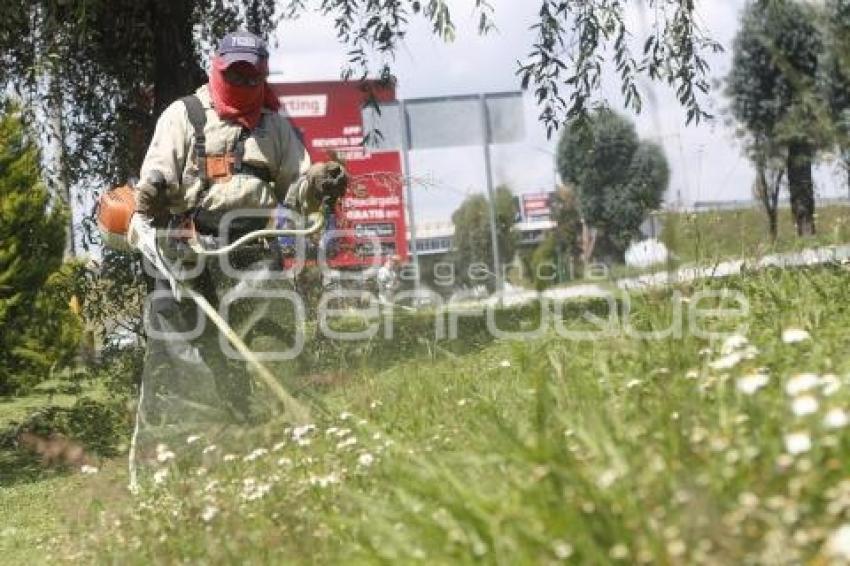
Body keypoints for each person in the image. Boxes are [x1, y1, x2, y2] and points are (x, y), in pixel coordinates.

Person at [125, 31, 347, 453]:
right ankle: (184, 457)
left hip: (252, 250)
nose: (243, 82)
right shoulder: (183, 116)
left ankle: (273, 443)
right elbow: (157, 174)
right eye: (236, 73)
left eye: (252, 75)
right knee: (190, 362)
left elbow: (296, 191)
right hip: (185, 253)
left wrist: (317, 184)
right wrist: (152, 190)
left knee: (268, 347)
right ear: (218, 68)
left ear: (263, 76)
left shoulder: (275, 129)